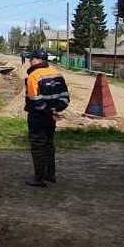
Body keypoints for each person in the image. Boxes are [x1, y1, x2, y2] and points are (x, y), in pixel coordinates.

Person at [23, 50, 70, 187]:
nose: (30, 61)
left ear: (37, 60)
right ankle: (50, 175)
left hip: (38, 117)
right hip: (52, 117)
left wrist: (48, 112)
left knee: (38, 146)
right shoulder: (57, 73)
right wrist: (56, 110)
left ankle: (39, 178)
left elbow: (35, 100)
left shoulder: (33, 76)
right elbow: (65, 97)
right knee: (49, 145)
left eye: (31, 58)